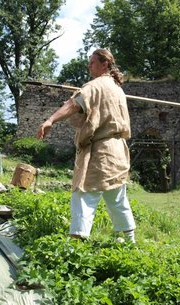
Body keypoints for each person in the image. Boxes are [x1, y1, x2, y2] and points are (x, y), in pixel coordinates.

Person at [36, 48, 136, 243]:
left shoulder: (95, 86)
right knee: (117, 196)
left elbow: (74, 105)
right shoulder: (117, 89)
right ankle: (129, 239)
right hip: (118, 150)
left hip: (101, 151)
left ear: (104, 64)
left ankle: (76, 243)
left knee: (84, 194)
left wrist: (50, 120)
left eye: (92, 62)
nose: (89, 66)